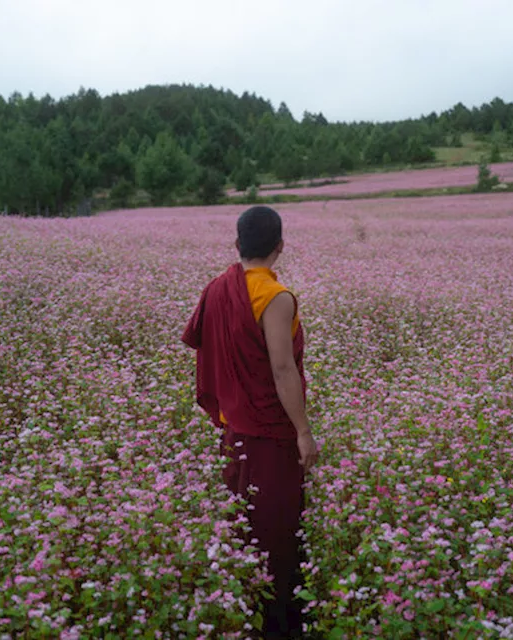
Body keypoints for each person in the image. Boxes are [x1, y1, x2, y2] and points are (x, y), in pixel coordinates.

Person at [181, 205, 320, 638]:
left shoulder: (217, 289)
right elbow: (282, 370)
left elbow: (204, 346)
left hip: (235, 428)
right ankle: (280, 623)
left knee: (243, 521)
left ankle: (241, 612)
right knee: (276, 528)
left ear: (237, 244)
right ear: (280, 246)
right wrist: (303, 431)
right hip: (271, 433)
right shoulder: (275, 297)